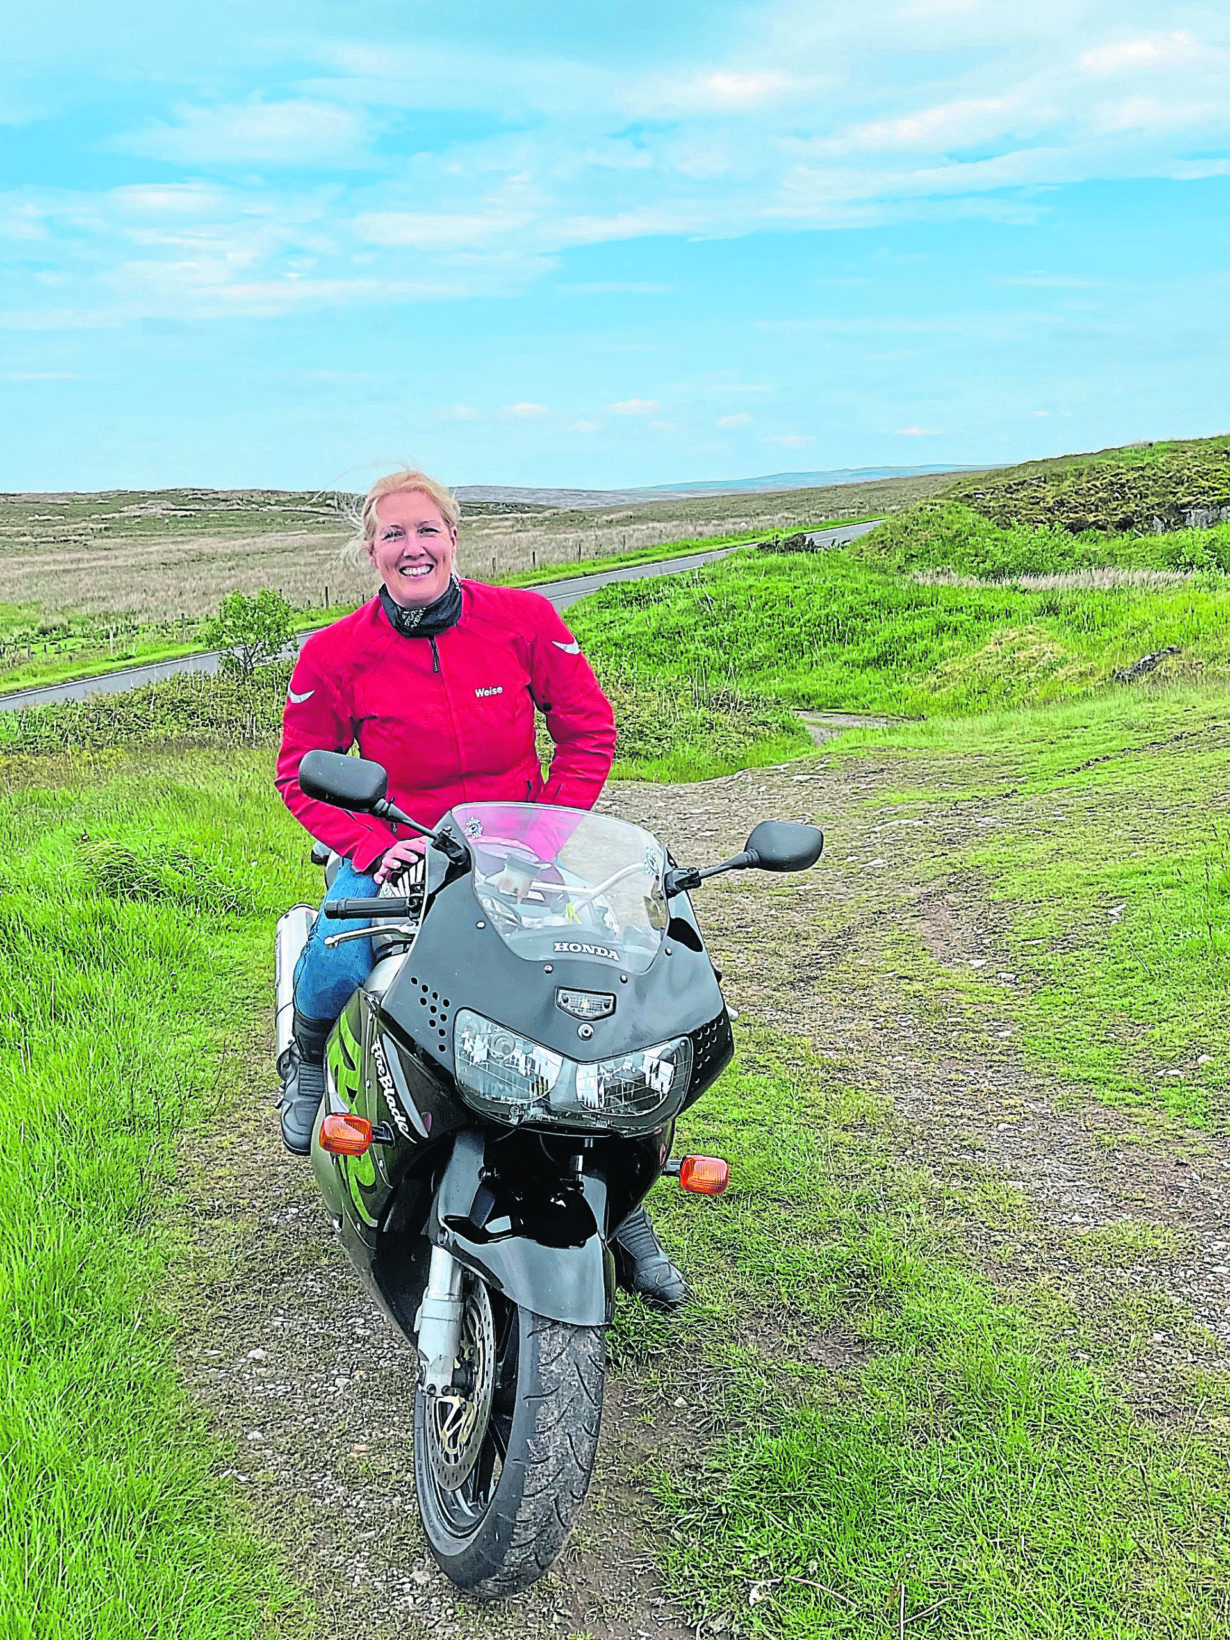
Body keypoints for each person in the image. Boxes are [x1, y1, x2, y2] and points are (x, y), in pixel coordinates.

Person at [274, 466, 687, 1309]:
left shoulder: (525, 621)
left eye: (426, 530)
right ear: (371, 550)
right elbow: (300, 772)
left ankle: (617, 1182)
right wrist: (371, 843)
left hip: (520, 845)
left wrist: (549, 830)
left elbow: (587, 731)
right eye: (393, 534)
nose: (411, 546)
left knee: (591, 988)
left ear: (454, 539)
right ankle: (311, 1060)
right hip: (397, 841)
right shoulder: (333, 653)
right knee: (342, 955)